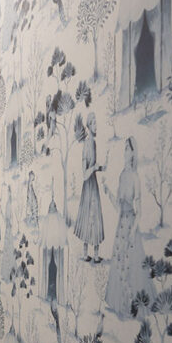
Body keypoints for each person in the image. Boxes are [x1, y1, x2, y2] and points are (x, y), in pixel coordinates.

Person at [104, 137, 149, 315]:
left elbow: (140, 210)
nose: (124, 152)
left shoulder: (135, 177)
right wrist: (107, 192)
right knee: (120, 263)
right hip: (120, 224)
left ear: (133, 153)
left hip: (130, 225)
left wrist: (132, 230)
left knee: (131, 265)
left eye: (127, 149)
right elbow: (118, 206)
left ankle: (132, 305)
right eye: (124, 149)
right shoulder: (122, 174)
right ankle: (122, 303)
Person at [73, 112, 105, 263]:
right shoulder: (87, 144)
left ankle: (96, 255)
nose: (96, 126)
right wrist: (94, 168)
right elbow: (84, 174)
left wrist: (100, 168)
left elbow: (92, 169)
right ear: (89, 124)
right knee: (88, 217)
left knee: (95, 217)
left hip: (94, 185)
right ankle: (87, 254)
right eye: (94, 123)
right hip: (88, 187)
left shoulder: (94, 143)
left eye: (96, 123)